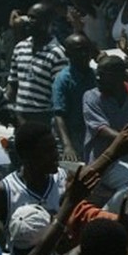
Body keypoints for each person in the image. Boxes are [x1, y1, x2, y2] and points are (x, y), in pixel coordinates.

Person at [0, 121, 67, 227]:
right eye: (47, 151)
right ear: (27, 155)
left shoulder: (64, 180)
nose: (55, 155)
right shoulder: (4, 192)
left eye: (55, 148)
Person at [5, 2, 68, 126]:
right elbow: (13, 83)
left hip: (44, 119)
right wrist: (5, 105)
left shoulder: (57, 54)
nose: (28, 21)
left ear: (47, 22)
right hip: (20, 117)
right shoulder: (20, 48)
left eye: (34, 18)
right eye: (28, 17)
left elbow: (59, 94)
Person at [81, 54, 128, 165]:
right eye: (97, 73)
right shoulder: (92, 96)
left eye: (103, 75)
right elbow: (101, 129)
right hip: (102, 161)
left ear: (119, 76)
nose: (98, 78)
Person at [52, 33, 96, 162]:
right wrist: (67, 146)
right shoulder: (63, 79)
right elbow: (59, 115)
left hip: (91, 137)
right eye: (78, 50)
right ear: (68, 54)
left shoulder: (95, 75)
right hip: (70, 137)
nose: (84, 54)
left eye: (86, 49)